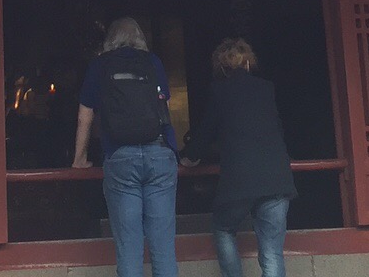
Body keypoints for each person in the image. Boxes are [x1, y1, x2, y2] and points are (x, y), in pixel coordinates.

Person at [73, 17, 179, 277]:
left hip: (120, 157)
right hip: (159, 154)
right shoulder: (153, 62)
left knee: (129, 248)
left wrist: (80, 158)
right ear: (140, 38)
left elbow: (85, 115)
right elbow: (163, 106)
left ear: (110, 40)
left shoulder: (100, 65)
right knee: (164, 247)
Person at [181, 38, 295, 277]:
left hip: (240, 178)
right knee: (272, 253)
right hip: (276, 176)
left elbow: (205, 133)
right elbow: (278, 130)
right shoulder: (266, 88)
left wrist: (188, 158)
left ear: (222, 68)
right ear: (248, 64)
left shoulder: (219, 91)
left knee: (223, 229)